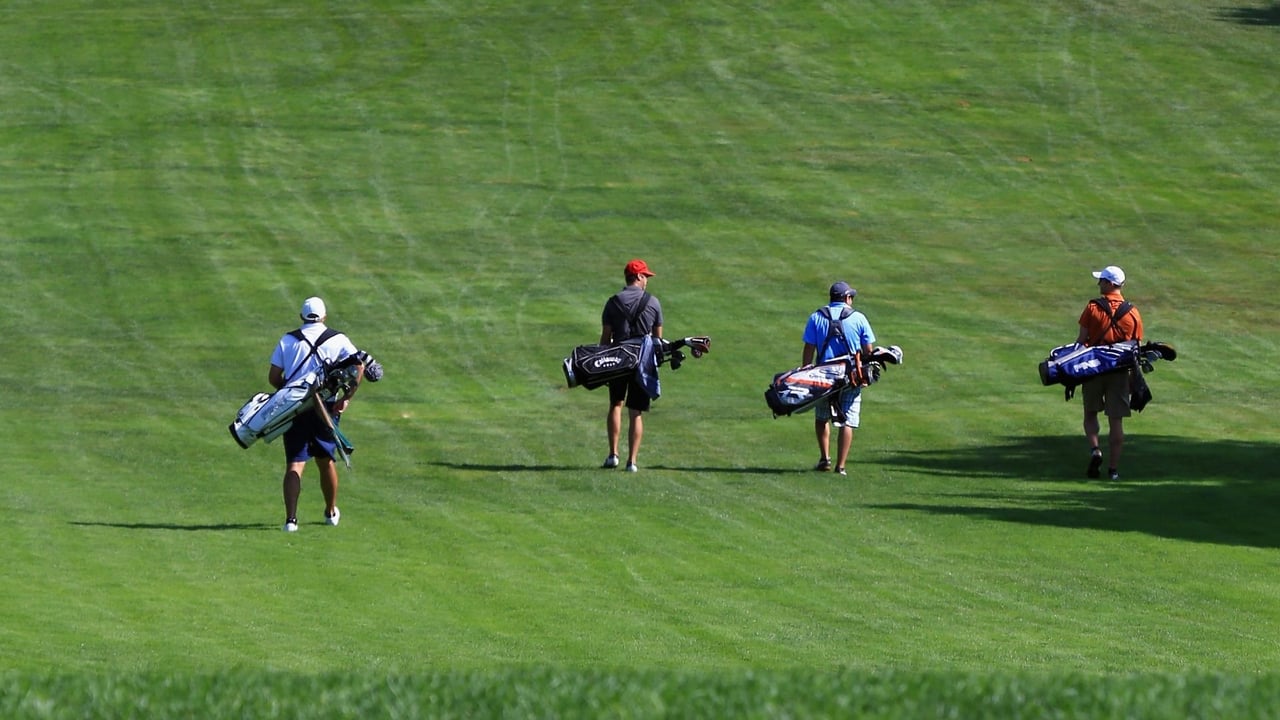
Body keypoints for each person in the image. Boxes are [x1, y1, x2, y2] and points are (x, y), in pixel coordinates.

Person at [269, 296, 363, 532]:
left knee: (295, 464)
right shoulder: (338, 339)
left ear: (302, 316)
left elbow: (273, 377)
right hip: (326, 408)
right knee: (326, 461)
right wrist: (345, 399)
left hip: (294, 409)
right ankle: (331, 511)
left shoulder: (288, 340)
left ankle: (291, 520)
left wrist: (288, 393)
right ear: (324, 317)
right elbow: (358, 366)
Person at [1075, 265, 1143, 481]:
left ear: (1110, 284)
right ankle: (1113, 470)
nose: (1099, 284)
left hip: (1094, 368)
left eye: (1102, 280)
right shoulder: (1132, 312)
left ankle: (1095, 449)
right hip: (1120, 371)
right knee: (1116, 420)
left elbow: (1082, 341)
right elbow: (1135, 347)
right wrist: (1134, 378)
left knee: (1090, 413)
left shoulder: (1092, 308)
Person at [801, 282, 877, 477]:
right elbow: (869, 351)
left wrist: (805, 372)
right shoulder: (859, 318)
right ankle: (841, 466)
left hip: (823, 377)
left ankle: (825, 458)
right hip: (850, 376)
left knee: (821, 417)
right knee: (848, 420)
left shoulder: (816, 317)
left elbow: (809, 349)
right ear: (846, 298)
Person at [599, 259, 664, 472]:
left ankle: (613, 454)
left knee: (616, 404)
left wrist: (604, 365)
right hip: (641, 361)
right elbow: (657, 341)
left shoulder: (613, 302)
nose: (647, 280)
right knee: (636, 411)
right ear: (638, 277)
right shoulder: (653, 302)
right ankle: (632, 462)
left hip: (618, 358)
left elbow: (605, 338)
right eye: (645, 276)